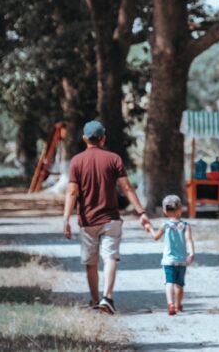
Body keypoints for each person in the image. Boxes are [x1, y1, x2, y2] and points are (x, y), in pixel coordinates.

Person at [62, 120, 151, 314]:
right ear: (103, 139)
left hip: (87, 221)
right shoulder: (114, 159)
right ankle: (107, 298)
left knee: (90, 262)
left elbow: (72, 192)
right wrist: (141, 212)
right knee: (110, 257)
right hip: (110, 218)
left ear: (85, 139)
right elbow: (126, 187)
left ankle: (95, 300)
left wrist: (66, 219)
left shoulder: (77, 161)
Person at [145, 194, 195, 316]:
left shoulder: (165, 225)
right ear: (180, 209)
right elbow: (189, 240)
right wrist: (192, 252)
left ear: (164, 211)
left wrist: (149, 228)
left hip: (168, 260)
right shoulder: (185, 225)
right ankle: (178, 305)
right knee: (179, 284)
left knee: (169, 282)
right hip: (181, 260)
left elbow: (156, 237)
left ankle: (170, 304)